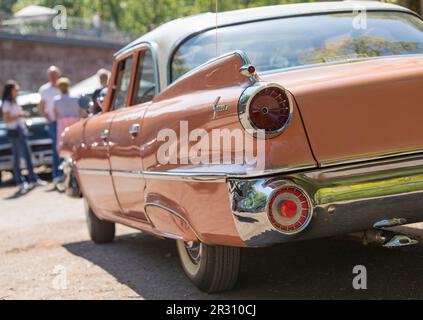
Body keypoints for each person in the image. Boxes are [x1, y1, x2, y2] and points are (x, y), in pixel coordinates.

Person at [1, 81, 47, 191]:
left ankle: (33, 179)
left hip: (21, 129)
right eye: (15, 90)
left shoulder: (14, 102)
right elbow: (7, 119)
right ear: (10, 90)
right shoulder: (6, 103)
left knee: (27, 155)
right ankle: (20, 181)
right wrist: (19, 115)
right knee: (17, 157)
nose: (17, 92)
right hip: (14, 131)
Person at [39, 66, 62, 185]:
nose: (53, 77)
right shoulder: (44, 89)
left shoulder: (63, 87)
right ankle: (56, 174)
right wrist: (48, 117)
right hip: (53, 122)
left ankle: (65, 172)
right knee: (56, 148)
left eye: (55, 74)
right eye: (51, 75)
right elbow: (42, 106)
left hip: (64, 121)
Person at [54, 77, 87, 154]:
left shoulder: (56, 100)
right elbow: (82, 112)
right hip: (75, 122)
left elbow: (55, 114)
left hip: (62, 124)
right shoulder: (75, 98)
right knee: (76, 143)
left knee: (63, 145)